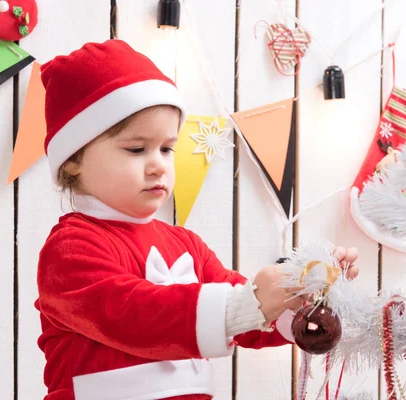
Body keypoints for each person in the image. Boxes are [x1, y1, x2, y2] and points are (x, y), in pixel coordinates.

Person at [34, 39, 360, 400]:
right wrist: (249, 303)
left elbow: (244, 315)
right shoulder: (71, 247)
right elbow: (133, 315)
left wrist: (301, 298)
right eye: (136, 149)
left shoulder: (186, 245)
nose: (158, 164)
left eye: (167, 148)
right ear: (73, 160)